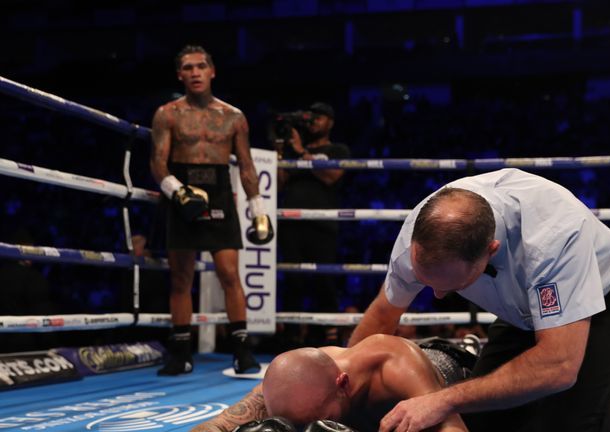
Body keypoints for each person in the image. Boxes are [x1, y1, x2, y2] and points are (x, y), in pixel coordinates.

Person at [348, 168, 610, 432]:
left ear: (490, 252)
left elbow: (558, 366)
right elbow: (383, 316)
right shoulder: (422, 234)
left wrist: (442, 398)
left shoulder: (550, 238)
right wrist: (342, 384)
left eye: (452, 285)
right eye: (426, 280)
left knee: (561, 423)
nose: (437, 294)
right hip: (522, 312)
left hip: (609, 296)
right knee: (477, 420)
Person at [150, 45, 272, 376]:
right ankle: (180, 352)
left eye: (200, 66)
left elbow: (246, 166)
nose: (194, 72)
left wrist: (258, 210)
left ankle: (242, 352)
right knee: (180, 277)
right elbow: (158, 164)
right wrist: (178, 192)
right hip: (181, 189)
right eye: (187, 67)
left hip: (219, 192)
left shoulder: (233, 117)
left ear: (212, 71)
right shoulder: (167, 114)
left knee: (230, 274)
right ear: (180, 74)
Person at [191, 334, 474, 432]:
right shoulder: (290, 384)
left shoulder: (395, 366)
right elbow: (213, 425)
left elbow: (453, 426)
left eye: (323, 418)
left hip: (454, 365)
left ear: (343, 384)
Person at [277, 102, 350, 346]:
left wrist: (300, 153)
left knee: (324, 283)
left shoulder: (338, 149)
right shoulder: (294, 150)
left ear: (330, 121)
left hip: (323, 224)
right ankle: (290, 339)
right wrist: (280, 151)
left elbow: (332, 177)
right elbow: (278, 184)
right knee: (293, 282)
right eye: (311, 117)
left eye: (320, 117)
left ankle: (327, 341)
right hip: (291, 224)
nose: (314, 121)